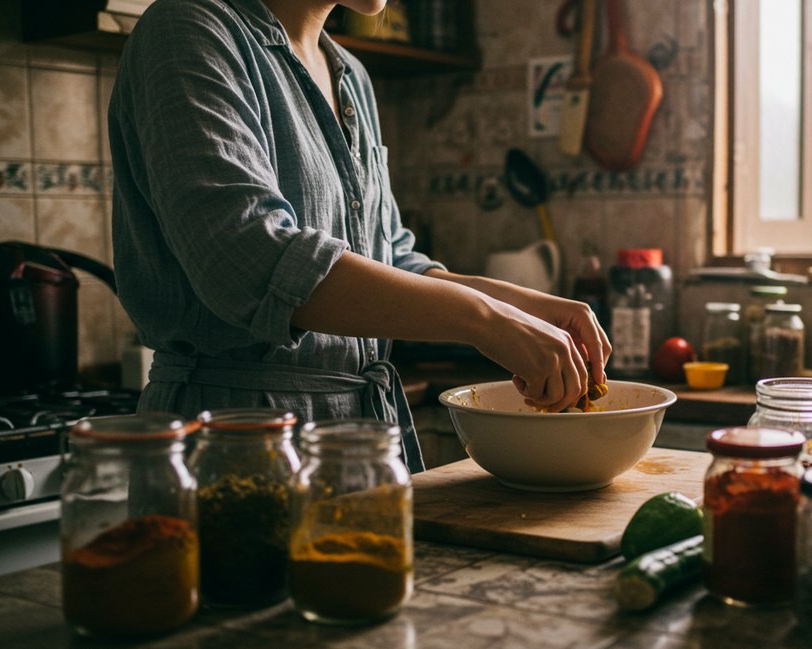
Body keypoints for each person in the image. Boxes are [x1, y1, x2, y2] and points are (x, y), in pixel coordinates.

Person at [108, 0, 610, 473]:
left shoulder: (351, 75)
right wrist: (485, 321)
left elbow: (390, 259)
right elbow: (248, 259)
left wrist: (521, 307)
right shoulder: (188, 29)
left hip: (358, 441)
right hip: (234, 438)